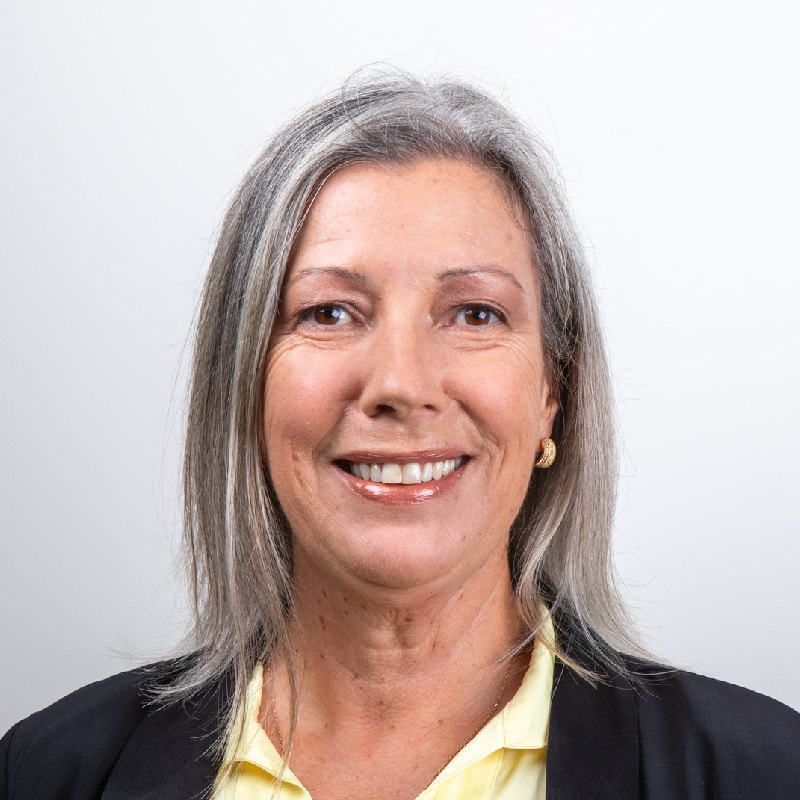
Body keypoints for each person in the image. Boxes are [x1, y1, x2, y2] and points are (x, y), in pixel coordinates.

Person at [2, 70, 798, 800]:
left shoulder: (764, 773)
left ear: (554, 393)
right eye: (330, 312)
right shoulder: (44, 774)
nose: (400, 385)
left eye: (475, 314)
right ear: (244, 381)